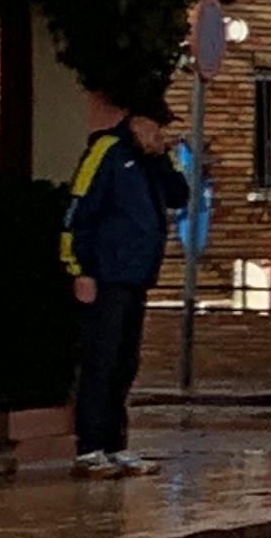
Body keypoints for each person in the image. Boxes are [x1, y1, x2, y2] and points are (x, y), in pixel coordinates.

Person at [61, 102, 191, 475]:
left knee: (124, 364)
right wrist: (79, 269)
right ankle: (90, 448)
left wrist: (163, 159)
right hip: (104, 276)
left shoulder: (151, 161)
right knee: (99, 362)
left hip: (136, 276)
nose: (160, 133)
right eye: (156, 125)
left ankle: (115, 445)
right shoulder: (106, 152)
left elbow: (180, 195)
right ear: (136, 121)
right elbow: (78, 211)